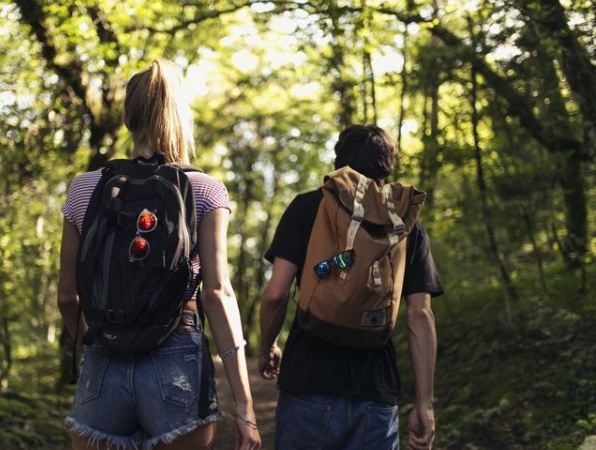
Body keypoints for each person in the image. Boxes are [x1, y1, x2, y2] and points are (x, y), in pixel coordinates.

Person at [58, 59, 261, 450]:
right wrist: (245, 406)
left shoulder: (83, 189)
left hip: (103, 357)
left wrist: (93, 352)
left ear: (125, 116)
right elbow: (217, 293)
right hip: (176, 360)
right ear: (182, 116)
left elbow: (68, 298)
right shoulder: (205, 190)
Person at [258, 124, 444, 450]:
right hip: (376, 391)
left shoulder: (308, 207)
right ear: (389, 164)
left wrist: (267, 347)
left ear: (339, 160)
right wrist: (424, 403)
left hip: (308, 383)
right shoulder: (407, 225)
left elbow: (276, 294)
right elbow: (420, 315)